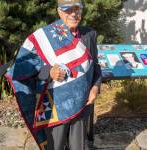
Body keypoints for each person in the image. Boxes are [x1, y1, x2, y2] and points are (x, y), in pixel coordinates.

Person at [5, 0, 102, 150]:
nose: (73, 14)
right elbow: (29, 72)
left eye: (77, 9)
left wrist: (95, 87)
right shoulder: (44, 37)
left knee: (78, 147)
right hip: (55, 107)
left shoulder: (89, 34)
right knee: (54, 146)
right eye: (68, 10)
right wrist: (49, 72)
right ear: (59, 12)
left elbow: (95, 66)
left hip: (82, 104)